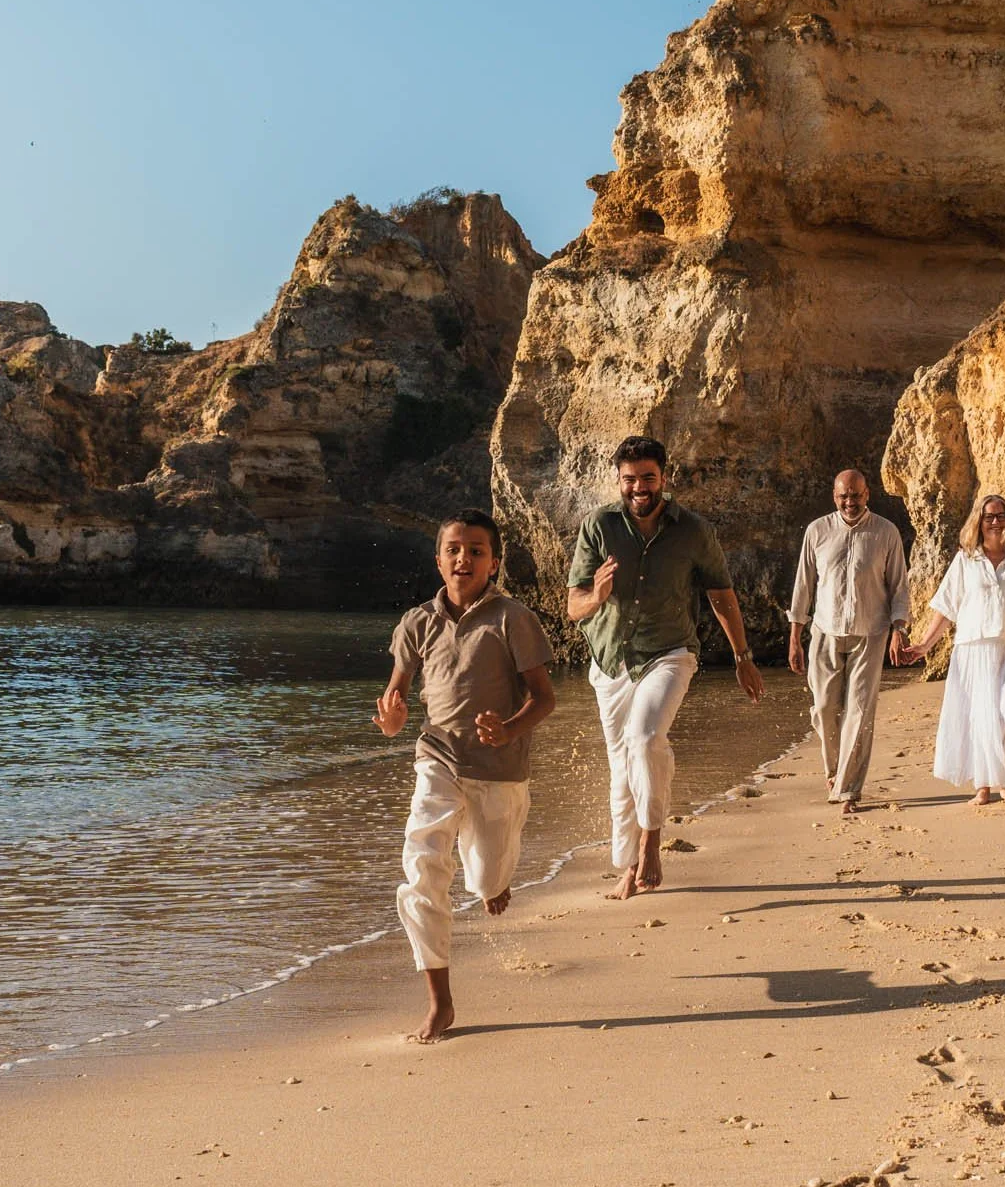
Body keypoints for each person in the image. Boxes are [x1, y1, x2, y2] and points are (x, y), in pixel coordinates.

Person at [377, 510, 557, 1043]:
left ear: (494, 562)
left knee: (485, 877)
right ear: (438, 560)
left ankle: (493, 883)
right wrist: (391, 721)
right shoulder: (417, 622)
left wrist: (509, 729)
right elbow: (395, 696)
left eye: (476, 551)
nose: (464, 559)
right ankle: (440, 1001)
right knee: (422, 866)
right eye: (453, 550)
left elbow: (544, 698)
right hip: (437, 755)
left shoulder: (513, 618)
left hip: (500, 769)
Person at [565, 434, 761, 899]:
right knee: (622, 769)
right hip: (611, 659)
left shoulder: (693, 530)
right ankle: (628, 866)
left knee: (645, 737)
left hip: (670, 653)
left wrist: (743, 657)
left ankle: (651, 841)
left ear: (664, 478)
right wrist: (597, 595)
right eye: (630, 479)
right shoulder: (598, 526)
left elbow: (721, 595)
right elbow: (574, 605)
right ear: (619, 480)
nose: (639, 488)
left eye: (648, 478)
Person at [902, 493, 1005, 805]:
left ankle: (999, 776)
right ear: (979, 521)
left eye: (1001, 516)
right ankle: (988, 785)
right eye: (989, 517)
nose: (996, 522)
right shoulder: (966, 559)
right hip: (974, 648)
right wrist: (924, 645)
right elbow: (946, 608)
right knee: (983, 717)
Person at [788, 469, 914, 816]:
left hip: (871, 633)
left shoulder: (886, 533)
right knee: (824, 708)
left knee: (859, 711)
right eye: (844, 496)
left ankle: (848, 789)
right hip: (825, 631)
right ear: (834, 496)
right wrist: (795, 637)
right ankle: (834, 772)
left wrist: (899, 628)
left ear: (867, 494)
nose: (850, 502)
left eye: (856, 495)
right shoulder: (817, 531)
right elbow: (803, 585)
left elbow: (899, 587)